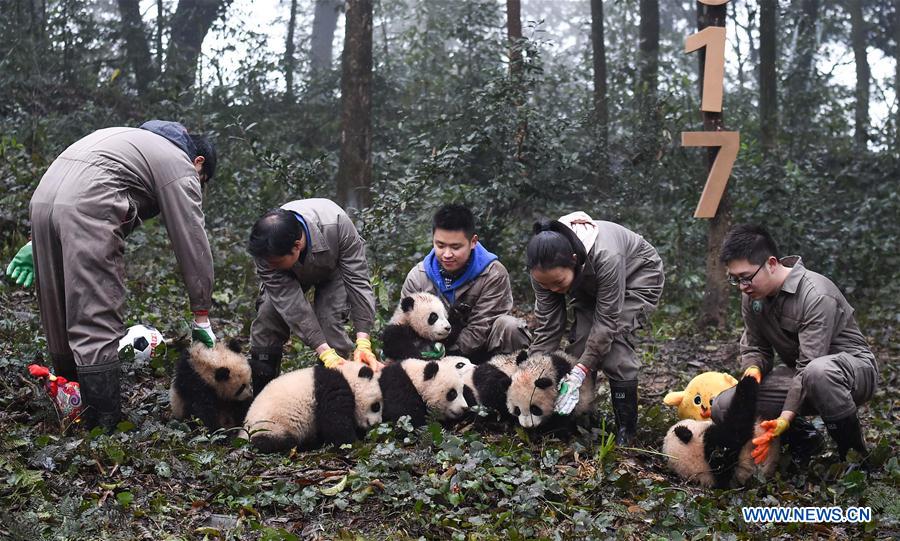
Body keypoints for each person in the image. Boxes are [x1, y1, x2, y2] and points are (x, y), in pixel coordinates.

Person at [5, 120, 218, 430]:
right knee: (95, 309)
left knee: (59, 309)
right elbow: (192, 241)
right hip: (88, 206)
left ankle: (71, 395)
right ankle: (102, 422)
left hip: (43, 202)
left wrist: (36, 240)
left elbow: (80, 182)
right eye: (203, 180)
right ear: (198, 162)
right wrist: (202, 314)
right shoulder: (178, 163)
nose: (200, 185)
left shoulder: (126, 140)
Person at [712, 224, 878, 463]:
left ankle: (855, 456)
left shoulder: (816, 294)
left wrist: (785, 416)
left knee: (818, 372)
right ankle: (805, 439)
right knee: (725, 406)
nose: (742, 286)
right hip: (804, 375)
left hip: (853, 374)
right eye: (735, 279)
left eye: (746, 277)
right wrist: (753, 370)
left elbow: (810, 365)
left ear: (771, 263)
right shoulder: (752, 297)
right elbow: (756, 346)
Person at [526, 212, 664, 445]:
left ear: (573, 259)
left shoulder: (606, 256)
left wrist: (579, 372)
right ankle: (581, 415)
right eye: (544, 284)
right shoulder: (541, 271)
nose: (551, 289)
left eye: (558, 283)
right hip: (586, 283)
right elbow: (549, 325)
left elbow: (607, 323)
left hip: (636, 277)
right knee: (580, 346)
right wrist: (532, 368)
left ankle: (626, 430)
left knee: (614, 350)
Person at [246, 199, 380, 394]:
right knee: (268, 318)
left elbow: (358, 282)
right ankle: (263, 394)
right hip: (287, 274)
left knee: (330, 321)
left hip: (334, 269)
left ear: (297, 245)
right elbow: (293, 307)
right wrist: (324, 352)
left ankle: (332, 395)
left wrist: (363, 341)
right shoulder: (266, 251)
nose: (268, 264)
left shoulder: (338, 225)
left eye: (274, 261)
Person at [401, 204, 530, 362]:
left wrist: (447, 355)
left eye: (455, 247)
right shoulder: (418, 277)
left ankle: (513, 379)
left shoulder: (493, 273)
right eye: (440, 245)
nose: (447, 254)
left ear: (473, 241)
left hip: (484, 352)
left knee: (510, 327)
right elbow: (405, 326)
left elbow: (481, 329)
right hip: (431, 356)